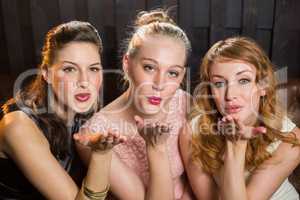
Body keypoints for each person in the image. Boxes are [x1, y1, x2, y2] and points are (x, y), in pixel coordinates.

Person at [0, 21, 125, 199]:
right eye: (70, 69)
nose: (84, 81)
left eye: (93, 69)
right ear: (46, 73)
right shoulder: (18, 126)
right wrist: (101, 155)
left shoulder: (85, 112)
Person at [77, 9, 193, 200]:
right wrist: (156, 148)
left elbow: (199, 181)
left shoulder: (183, 101)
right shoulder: (96, 135)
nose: (159, 84)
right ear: (127, 64)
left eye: (172, 73)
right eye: (149, 67)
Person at [180, 36, 300, 200]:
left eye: (243, 80)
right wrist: (233, 145)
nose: (230, 95)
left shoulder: (291, 138)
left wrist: (236, 145)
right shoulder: (191, 133)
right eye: (219, 84)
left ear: (263, 85)